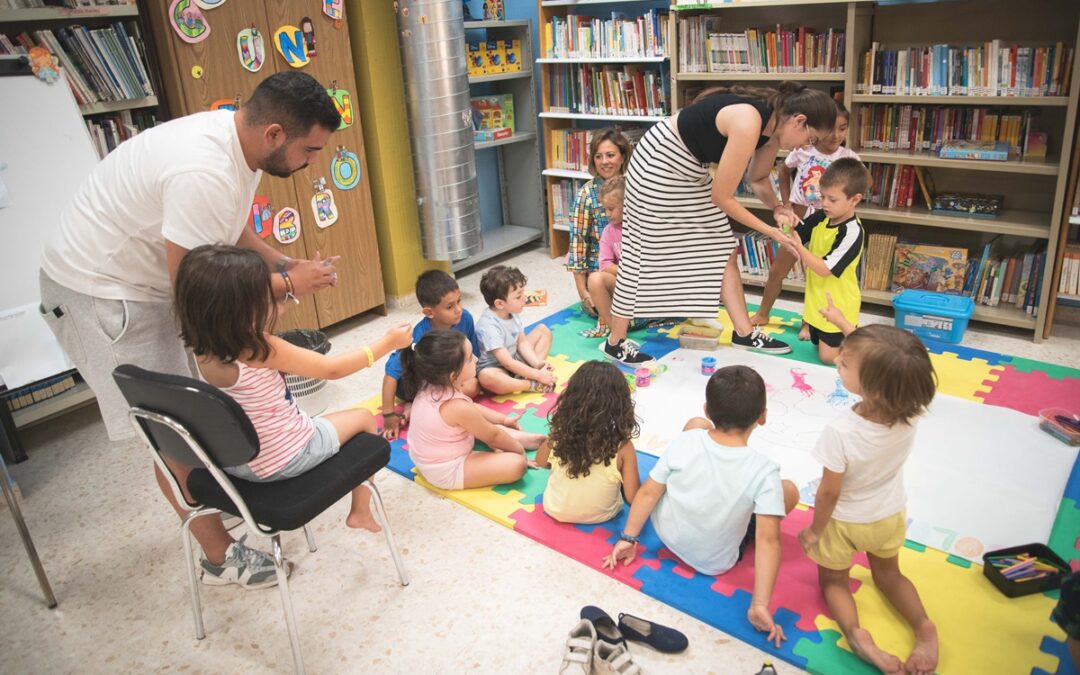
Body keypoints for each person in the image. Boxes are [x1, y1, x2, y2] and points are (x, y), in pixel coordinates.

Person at [38, 71, 344, 587]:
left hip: (149, 283)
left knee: (198, 412)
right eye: (310, 150)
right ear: (274, 134)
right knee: (173, 427)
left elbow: (231, 227)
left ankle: (212, 497)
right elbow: (199, 296)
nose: (312, 161)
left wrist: (284, 263)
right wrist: (286, 287)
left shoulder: (236, 140)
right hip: (103, 293)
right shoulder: (203, 168)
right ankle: (220, 557)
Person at [173, 245, 412, 583]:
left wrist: (294, 290)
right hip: (288, 457)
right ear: (243, 308)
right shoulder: (259, 347)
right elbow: (332, 369)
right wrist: (386, 343)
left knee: (335, 419)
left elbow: (265, 316)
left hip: (238, 462)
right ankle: (360, 510)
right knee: (361, 417)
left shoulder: (206, 347)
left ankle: (359, 509)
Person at [601, 82, 838, 365]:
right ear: (799, 121)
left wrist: (777, 207)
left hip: (688, 164)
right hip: (659, 160)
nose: (806, 147)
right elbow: (722, 197)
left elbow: (758, 178)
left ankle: (744, 332)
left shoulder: (774, 127)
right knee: (645, 249)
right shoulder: (750, 121)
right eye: (810, 139)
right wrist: (772, 231)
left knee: (724, 246)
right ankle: (615, 342)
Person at [603, 365, 799, 648]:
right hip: (714, 561)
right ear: (763, 417)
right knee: (789, 491)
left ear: (708, 408)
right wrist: (759, 603)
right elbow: (768, 540)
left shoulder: (686, 440)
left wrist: (628, 538)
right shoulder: (764, 470)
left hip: (668, 535)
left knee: (693, 426)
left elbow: (646, 494)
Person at [798, 325, 939, 674]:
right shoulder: (909, 416)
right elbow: (891, 359)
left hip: (843, 521)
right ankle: (923, 626)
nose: (837, 366)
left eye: (845, 365)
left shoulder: (842, 431)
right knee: (890, 575)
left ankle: (856, 635)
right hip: (888, 513)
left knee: (833, 581)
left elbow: (829, 492)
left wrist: (815, 530)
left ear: (873, 386)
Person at [751, 100, 860, 338]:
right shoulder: (802, 150)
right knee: (778, 268)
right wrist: (786, 200)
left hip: (830, 221)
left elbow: (860, 186)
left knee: (819, 276)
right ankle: (763, 312)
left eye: (843, 129)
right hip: (799, 214)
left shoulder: (849, 157)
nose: (836, 135)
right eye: (831, 129)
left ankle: (810, 323)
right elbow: (783, 170)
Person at [401, 330, 546, 490]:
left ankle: (521, 439)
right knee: (517, 465)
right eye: (470, 358)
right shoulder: (456, 406)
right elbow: (493, 435)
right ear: (453, 375)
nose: (476, 359)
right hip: (446, 469)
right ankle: (516, 444)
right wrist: (519, 453)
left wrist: (503, 420)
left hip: (434, 451)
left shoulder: (431, 384)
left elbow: (472, 408)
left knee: (487, 428)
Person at [757, 158, 868, 365]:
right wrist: (786, 223)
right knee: (818, 347)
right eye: (822, 196)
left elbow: (825, 269)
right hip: (817, 301)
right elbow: (796, 234)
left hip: (839, 305)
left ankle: (865, 348)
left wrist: (799, 247)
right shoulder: (821, 217)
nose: (824, 203)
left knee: (828, 358)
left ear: (854, 199)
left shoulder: (852, 232)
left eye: (832, 200)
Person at [534, 361, 640, 524]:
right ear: (620, 404)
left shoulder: (562, 433)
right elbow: (633, 497)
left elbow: (540, 462)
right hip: (601, 516)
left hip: (553, 508)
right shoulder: (623, 446)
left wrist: (554, 435)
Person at [380, 269, 481, 440]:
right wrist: (388, 415)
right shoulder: (416, 336)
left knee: (474, 386)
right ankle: (416, 404)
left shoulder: (465, 319)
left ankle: (417, 406)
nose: (458, 310)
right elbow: (390, 375)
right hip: (411, 385)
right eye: (450, 306)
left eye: (459, 301)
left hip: (443, 378)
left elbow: (473, 356)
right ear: (429, 312)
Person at [564, 128, 632, 335]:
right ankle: (617, 329)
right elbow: (578, 244)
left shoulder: (636, 187)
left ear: (622, 157)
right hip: (603, 272)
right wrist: (584, 294)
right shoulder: (586, 194)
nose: (605, 162)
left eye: (611, 155)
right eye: (598, 156)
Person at [475, 265, 555, 395]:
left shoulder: (512, 312)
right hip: (498, 368)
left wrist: (537, 364)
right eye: (518, 297)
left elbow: (522, 342)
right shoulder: (488, 325)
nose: (524, 298)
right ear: (500, 304)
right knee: (486, 377)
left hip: (514, 358)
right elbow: (507, 363)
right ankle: (528, 384)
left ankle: (529, 373)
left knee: (543, 331)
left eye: (523, 293)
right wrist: (538, 376)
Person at [585, 176, 626, 338]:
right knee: (595, 279)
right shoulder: (609, 231)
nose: (607, 214)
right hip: (625, 284)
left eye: (611, 208)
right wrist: (628, 272)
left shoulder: (645, 226)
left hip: (648, 289)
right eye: (605, 209)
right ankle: (618, 334)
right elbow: (605, 265)